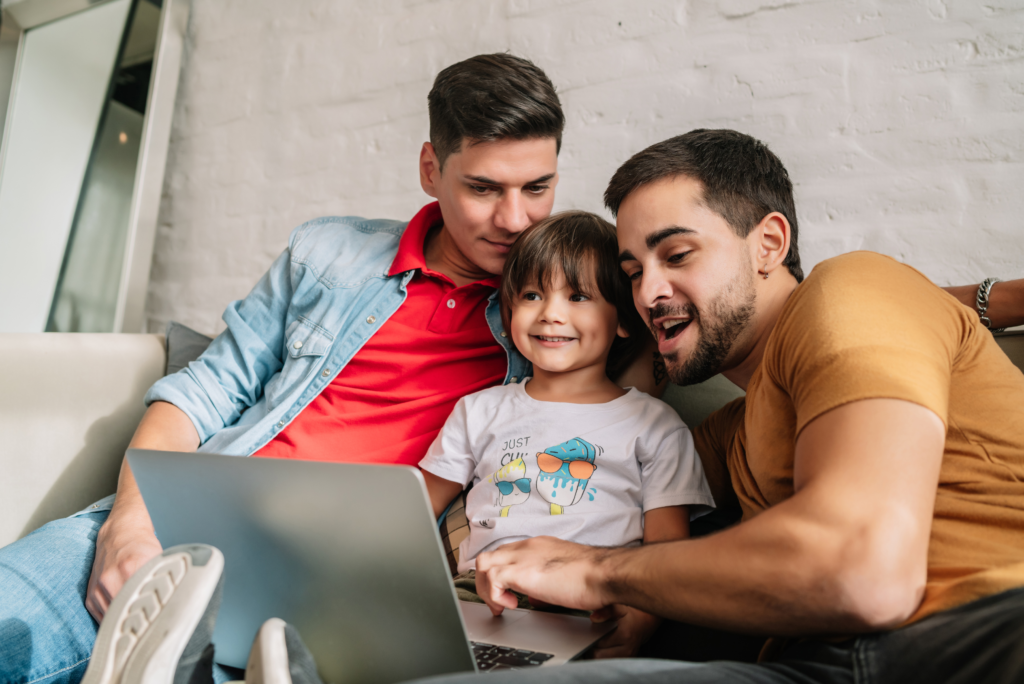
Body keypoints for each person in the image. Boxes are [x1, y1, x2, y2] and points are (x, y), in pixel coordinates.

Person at [0, 52, 610, 684]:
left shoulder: (562, 317)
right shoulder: (328, 254)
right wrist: (130, 523)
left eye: (537, 188)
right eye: (484, 189)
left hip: (345, 586)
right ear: (431, 169)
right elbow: (201, 393)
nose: (515, 220)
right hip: (189, 522)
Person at [426, 128, 1024, 684]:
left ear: (769, 243)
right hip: (813, 661)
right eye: (632, 273)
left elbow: (864, 574)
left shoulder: (853, 287)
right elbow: (606, 425)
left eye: (677, 255)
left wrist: (596, 572)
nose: (648, 293)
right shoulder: (730, 433)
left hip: (972, 630)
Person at [418, 211, 714, 650]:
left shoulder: (655, 427)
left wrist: (639, 626)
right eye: (533, 294)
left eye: (578, 297)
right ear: (509, 311)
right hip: (481, 599)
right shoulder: (479, 411)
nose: (551, 315)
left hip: (596, 608)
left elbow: (667, 555)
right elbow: (415, 510)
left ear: (623, 319)